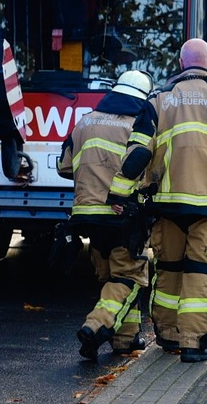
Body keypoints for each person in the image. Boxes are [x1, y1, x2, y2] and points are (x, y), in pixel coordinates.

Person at [107, 38, 207, 362]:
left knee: (169, 271)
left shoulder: (158, 101)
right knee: (201, 274)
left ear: (180, 64)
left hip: (168, 206)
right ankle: (193, 345)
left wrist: (119, 193)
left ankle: (167, 336)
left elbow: (137, 154)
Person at [60, 70, 154, 360]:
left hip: (86, 214)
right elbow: (147, 169)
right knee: (130, 277)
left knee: (111, 277)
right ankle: (95, 325)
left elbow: (64, 167)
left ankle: (125, 341)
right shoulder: (137, 125)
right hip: (121, 213)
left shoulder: (85, 121)